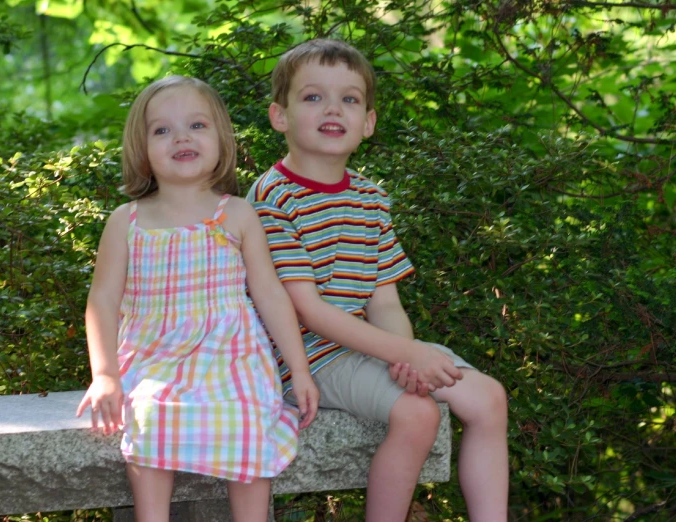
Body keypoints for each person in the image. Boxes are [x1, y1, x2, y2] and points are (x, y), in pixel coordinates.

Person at [247, 39, 508, 522]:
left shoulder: (370, 198)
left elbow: (383, 300)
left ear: (367, 122)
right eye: (312, 97)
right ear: (279, 116)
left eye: (349, 99)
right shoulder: (271, 198)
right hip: (300, 360)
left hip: (364, 349)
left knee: (489, 397)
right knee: (418, 413)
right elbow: (307, 310)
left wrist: (405, 360)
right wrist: (403, 354)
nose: (333, 108)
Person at [76, 75, 319, 522]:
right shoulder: (126, 221)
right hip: (154, 355)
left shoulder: (237, 214)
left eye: (196, 126)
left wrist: (299, 371)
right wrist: (105, 375)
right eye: (162, 130)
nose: (181, 137)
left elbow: (270, 295)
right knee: (148, 417)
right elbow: (103, 301)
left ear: (220, 140)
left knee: (249, 418)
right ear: (142, 149)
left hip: (231, 354)